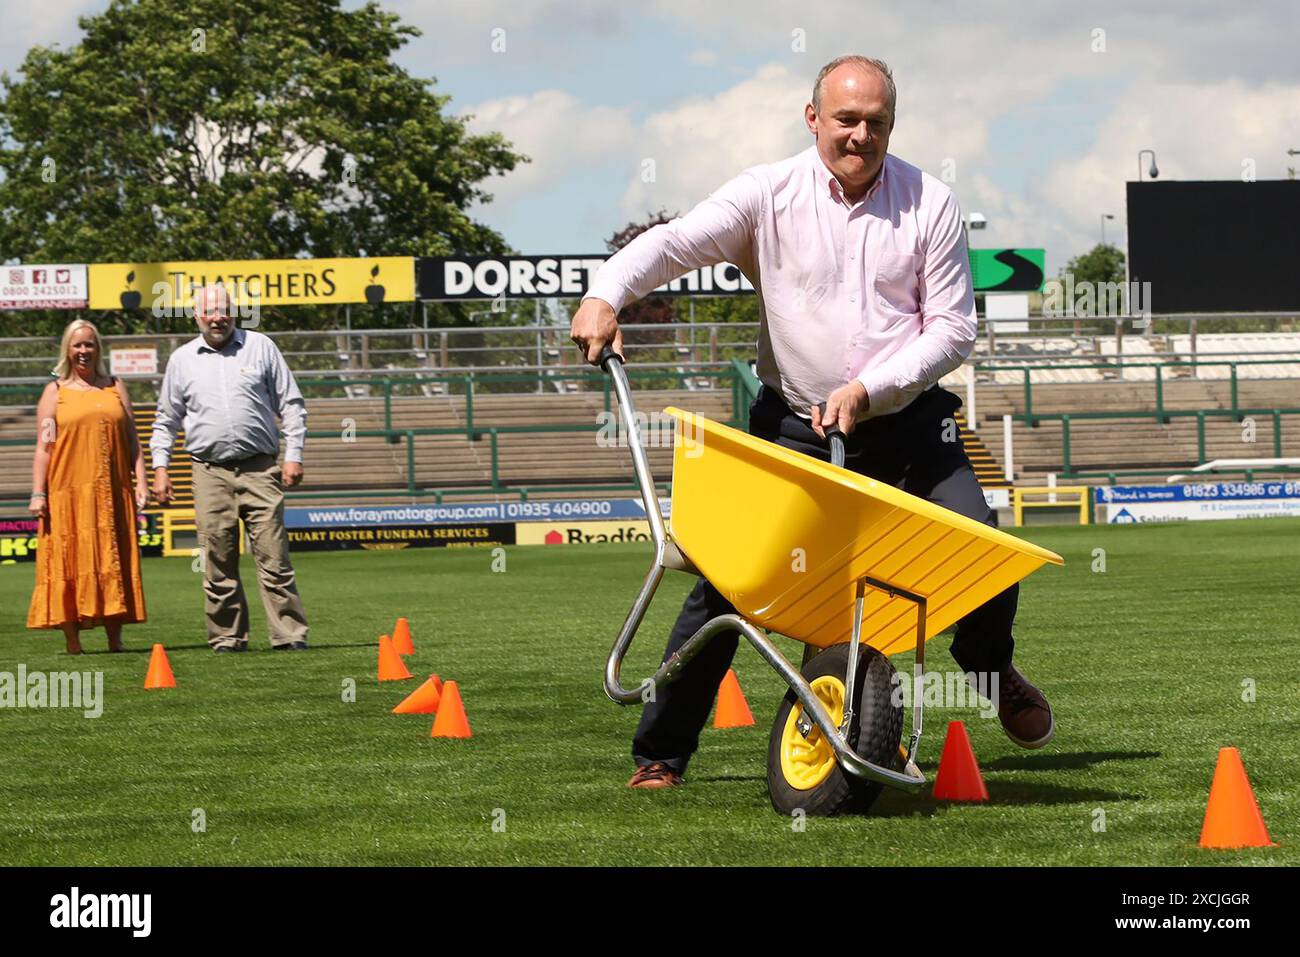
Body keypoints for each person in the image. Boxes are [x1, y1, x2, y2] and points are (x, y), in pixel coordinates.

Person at [570, 55, 1055, 790]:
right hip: (792, 425)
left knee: (982, 545)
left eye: (877, 123)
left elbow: (954, 330)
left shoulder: (932, 202)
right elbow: (672, 243)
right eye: (846, 120)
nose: (860, 135)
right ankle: (662, 753)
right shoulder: (766, 194)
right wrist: (606, 294)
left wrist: (869, 387)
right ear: (813, 118)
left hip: (910, 428)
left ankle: (988, 668)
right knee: (724, 581)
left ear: (893, 125)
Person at [150, 284, 310, 652]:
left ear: (234, 313)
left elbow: (292, 403)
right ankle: (227, 637)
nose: (217, 317)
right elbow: (166, 420)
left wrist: (294, 453)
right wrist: (160, 467)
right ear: (196, 316)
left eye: (223, 310)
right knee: (217, 561)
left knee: (274, 557)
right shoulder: (182, 359)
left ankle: (289, 636)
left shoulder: (261, 347)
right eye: (209, 312)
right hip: (209, 472)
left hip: (260, 468)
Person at [28, 319, 148, 653]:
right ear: (67, 349)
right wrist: (39, 493)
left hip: (113, 492)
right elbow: (44, 447)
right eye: (77, 345)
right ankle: (73, 642)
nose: (84, 351)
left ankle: (115, 640)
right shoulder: (55, 393)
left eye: (90, 344)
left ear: (99, 349)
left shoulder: (114, 386)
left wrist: (142, 482)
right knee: (67, 560)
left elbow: (132, 439)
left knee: (114, 559)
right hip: (67, 493)